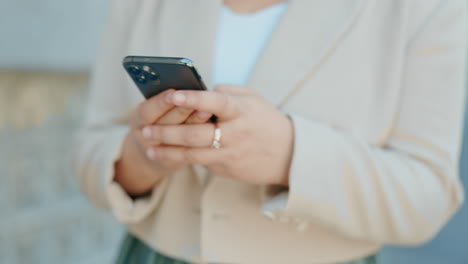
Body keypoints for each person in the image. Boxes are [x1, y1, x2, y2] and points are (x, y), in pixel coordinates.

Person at [74, 0, 467, 263]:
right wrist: (143, 156)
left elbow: (427, 200)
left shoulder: (427, 9)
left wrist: (290, 157)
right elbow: (90, 150)